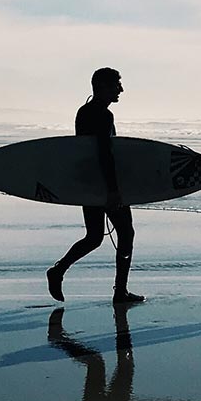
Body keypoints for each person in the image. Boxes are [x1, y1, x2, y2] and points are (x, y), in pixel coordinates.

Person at [46, 67, 141, 307]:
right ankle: (120, 291)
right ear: (102, 86)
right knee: (126, 233)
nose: (121, 89)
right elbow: (104, 153)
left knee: (95, 237)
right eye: (116, 84)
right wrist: (112, 190)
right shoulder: (102, 115)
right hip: (103, 184)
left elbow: (85, 153)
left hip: (88, 183)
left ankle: (58, 270)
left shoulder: (84, 111)